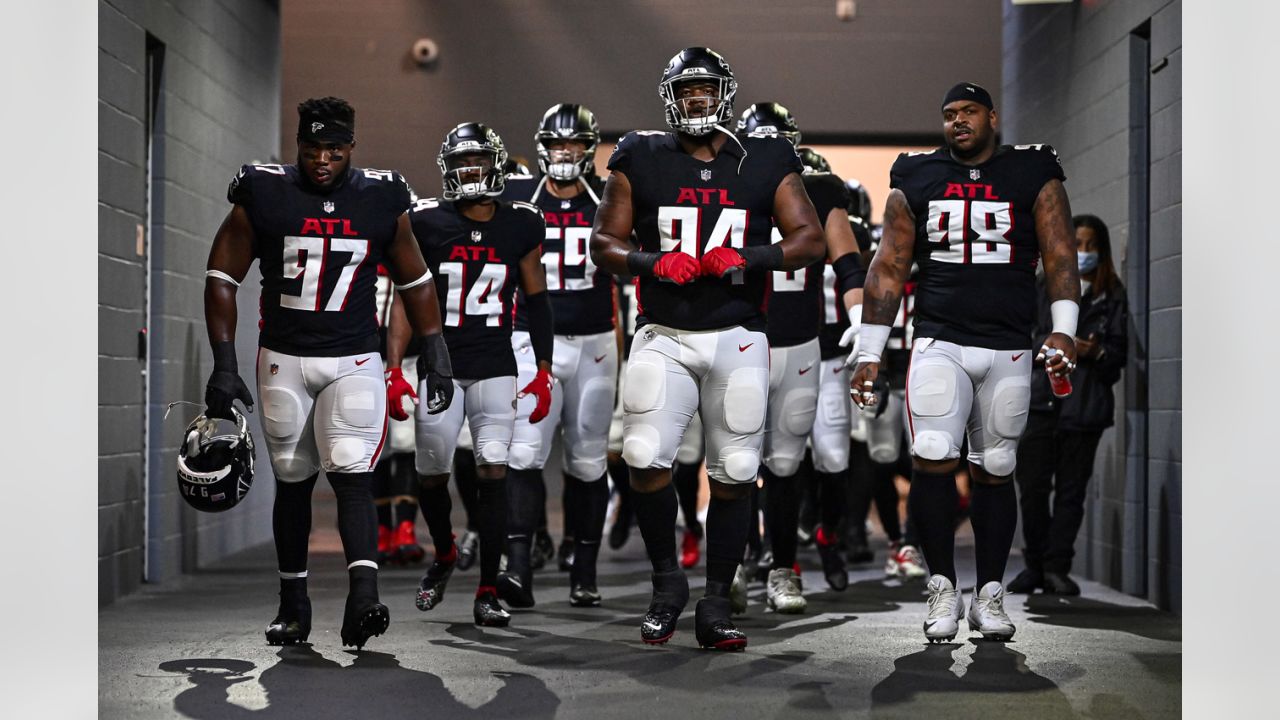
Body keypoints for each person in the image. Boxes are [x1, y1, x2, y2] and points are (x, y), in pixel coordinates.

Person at [589, 47, 825, 650]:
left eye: (706, 88)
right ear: (671, 97)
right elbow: (605, 244)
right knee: (643, 456)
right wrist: (651, 261)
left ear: (725, 94)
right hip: (664, 333)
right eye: (687, 89)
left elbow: (809, 239)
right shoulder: (640, 155)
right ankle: (667, 584)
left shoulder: (764, 156)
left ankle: (717, 600)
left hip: (739, 333)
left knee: (739, 468)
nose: (697, 99)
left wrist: (751, 255)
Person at [203, 96, 453, 650]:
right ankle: (293, 606)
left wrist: (434, 347)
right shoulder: (265, 191)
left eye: (334, 149)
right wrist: (223, 364)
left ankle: (364, 597)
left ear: (351, 149)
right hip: (283, 358)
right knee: (293, 477)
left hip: (354, 358)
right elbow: (222, 274)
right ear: (298, 146)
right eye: (313, 148)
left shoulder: (381, 197)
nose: (322, 160)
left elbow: (415, 279)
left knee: (352, 472)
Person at [850, 82, 1080, 643]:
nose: (957, 122)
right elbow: (888, 267)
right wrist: (868, 352)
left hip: (1008, 342)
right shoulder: (918, 176)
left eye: (969, 112)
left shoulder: (1032, 172)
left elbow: (1059, 253)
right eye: (949, 114)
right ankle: (942, 587)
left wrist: (1065, 331)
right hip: (940, 340)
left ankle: (991, 593)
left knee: (995, 467)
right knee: (931, 455)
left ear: (993, 117)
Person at [386, 122, 554, 627]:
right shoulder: (426, 222)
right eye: (460, 163)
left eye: (477, 161)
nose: (469, 171)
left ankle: (486, 589)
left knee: (493, 468)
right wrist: (394, 368)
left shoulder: (520, 223)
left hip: (495, 363)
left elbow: (537, 299)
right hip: (439, 365)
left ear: (497, 165)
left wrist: (542, 369)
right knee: (432, 473)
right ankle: (442, 552)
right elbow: (403, 298)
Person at [735, 103, 866, 614]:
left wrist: (862, 324)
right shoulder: (726, 189)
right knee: (736, 461)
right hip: (739, 339)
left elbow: (849, 265)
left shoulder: (823, 191)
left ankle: (783, 569)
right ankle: (739, 563)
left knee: (786, 463)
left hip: (799, 346)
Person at [500, 103, 617, 607]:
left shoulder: (608, 199)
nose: (564, 153)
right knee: (524, 453)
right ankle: (519, 567)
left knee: (588, 461)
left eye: (573, 144)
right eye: (555, 144)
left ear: (589, 148)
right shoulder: (517, 197)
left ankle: (584, 570)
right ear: (543, 147)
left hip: (594, 342)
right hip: (530, 341)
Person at [1009, 214, 1129, 596]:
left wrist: (1095, 351)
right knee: (1032, 487)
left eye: (1091, 245)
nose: (1084, 253)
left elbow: (1119, 357)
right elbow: (1022, 340)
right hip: (1041, 402)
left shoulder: (1112, 295)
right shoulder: (1044, 288)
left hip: (1085, 406)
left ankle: (1057, 566)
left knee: (1071, 492)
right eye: (1077, 244)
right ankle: (1035, 566)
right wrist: (1057, 343)